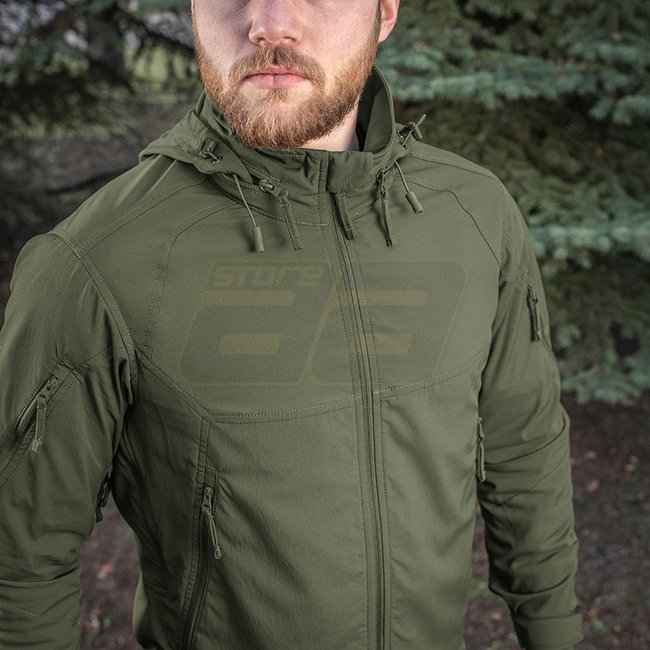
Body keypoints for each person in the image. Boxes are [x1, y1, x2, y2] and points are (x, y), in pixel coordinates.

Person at [0, 1, 582, 648]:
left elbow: (523, 449)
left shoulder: (474, 212)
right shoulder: (96, 260)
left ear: (385, 12)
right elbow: (18, 559)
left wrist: (554, 633)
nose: (270, 22)